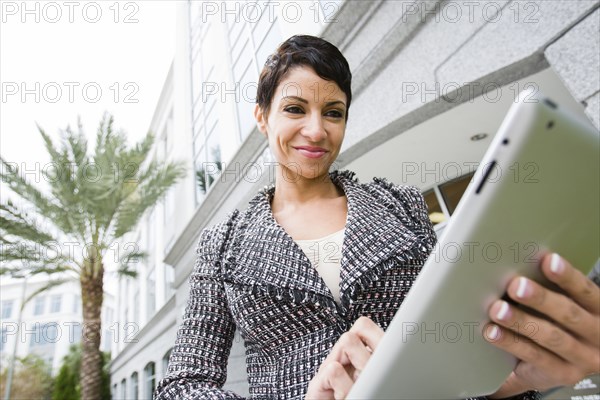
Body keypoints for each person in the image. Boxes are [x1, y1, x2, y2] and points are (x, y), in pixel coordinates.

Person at [154, 35, 599, 399]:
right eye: (295, 109)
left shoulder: (400, 204)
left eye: (333, 113)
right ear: (262, 118)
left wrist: (519, 378)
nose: (316, 130)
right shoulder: (224, 242)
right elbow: (182, 387)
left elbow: (450, 350)